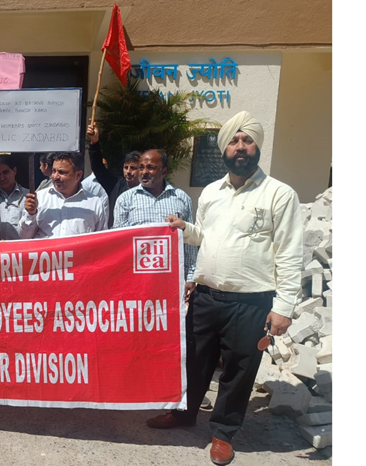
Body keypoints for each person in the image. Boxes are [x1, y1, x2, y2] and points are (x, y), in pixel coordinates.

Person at [146, 111, 303, 466]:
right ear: (225, 148)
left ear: (257, 146)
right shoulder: (212, 192)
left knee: (238, 370)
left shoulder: (279, 194)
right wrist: (185, 228)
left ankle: (222, 433)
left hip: (251, 302)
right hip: (205, 296)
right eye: (234, 140)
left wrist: (284, 308)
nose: (241, 146)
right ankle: (184, 414)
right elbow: (205, 235)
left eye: (247, 140)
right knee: (194, 362)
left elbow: (291, 253)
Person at [112, 149, 198, 301]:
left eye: (150, 167)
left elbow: (189, 243)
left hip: (171, 279)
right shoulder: (125, 200)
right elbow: (118, 243)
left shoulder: (181, 198)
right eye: (141, 167)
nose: (144, 172)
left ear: (164, 171)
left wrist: (191, 277)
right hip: (136, 279)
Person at [19, 152, 107, 239]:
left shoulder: (94, 204)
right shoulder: (39, 199)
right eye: (53, 171)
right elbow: (24, 236)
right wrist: (31, 214)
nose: (55, 176)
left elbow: (101, 241)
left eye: (62, 172)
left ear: (78, 175)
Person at [0, 155, 29, 240]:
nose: (2, 177)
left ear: (14, 171)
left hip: (19, 251)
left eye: (5, 172)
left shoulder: (27, 197)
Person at [108, 151, 142, 227]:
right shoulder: (117, 186)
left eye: (133, 168)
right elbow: (98, 169)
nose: (128, 171)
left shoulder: (149, 190)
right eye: (126, 167)